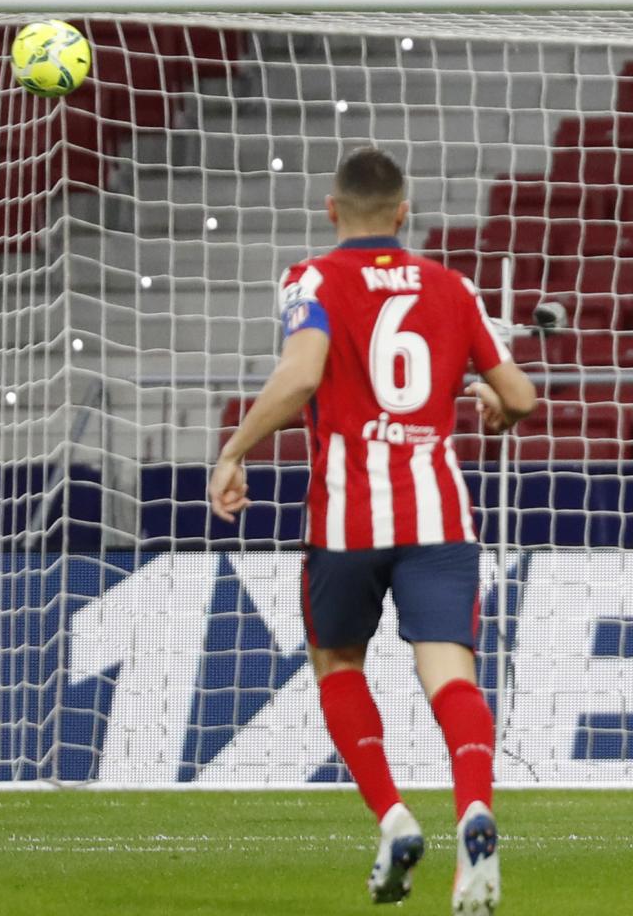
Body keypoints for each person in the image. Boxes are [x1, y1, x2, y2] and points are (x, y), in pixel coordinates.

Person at [208, 147, 536, 915]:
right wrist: (495, 403)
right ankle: (475, 812)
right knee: (450, 674)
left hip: (348, 515)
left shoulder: (312, 279)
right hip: (438, 513)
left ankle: (392, 819)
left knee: (336, 661)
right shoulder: (451, 286)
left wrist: (233, 451)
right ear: (403, 212)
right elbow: (518, 393)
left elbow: (300, 374)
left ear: (331, 211)